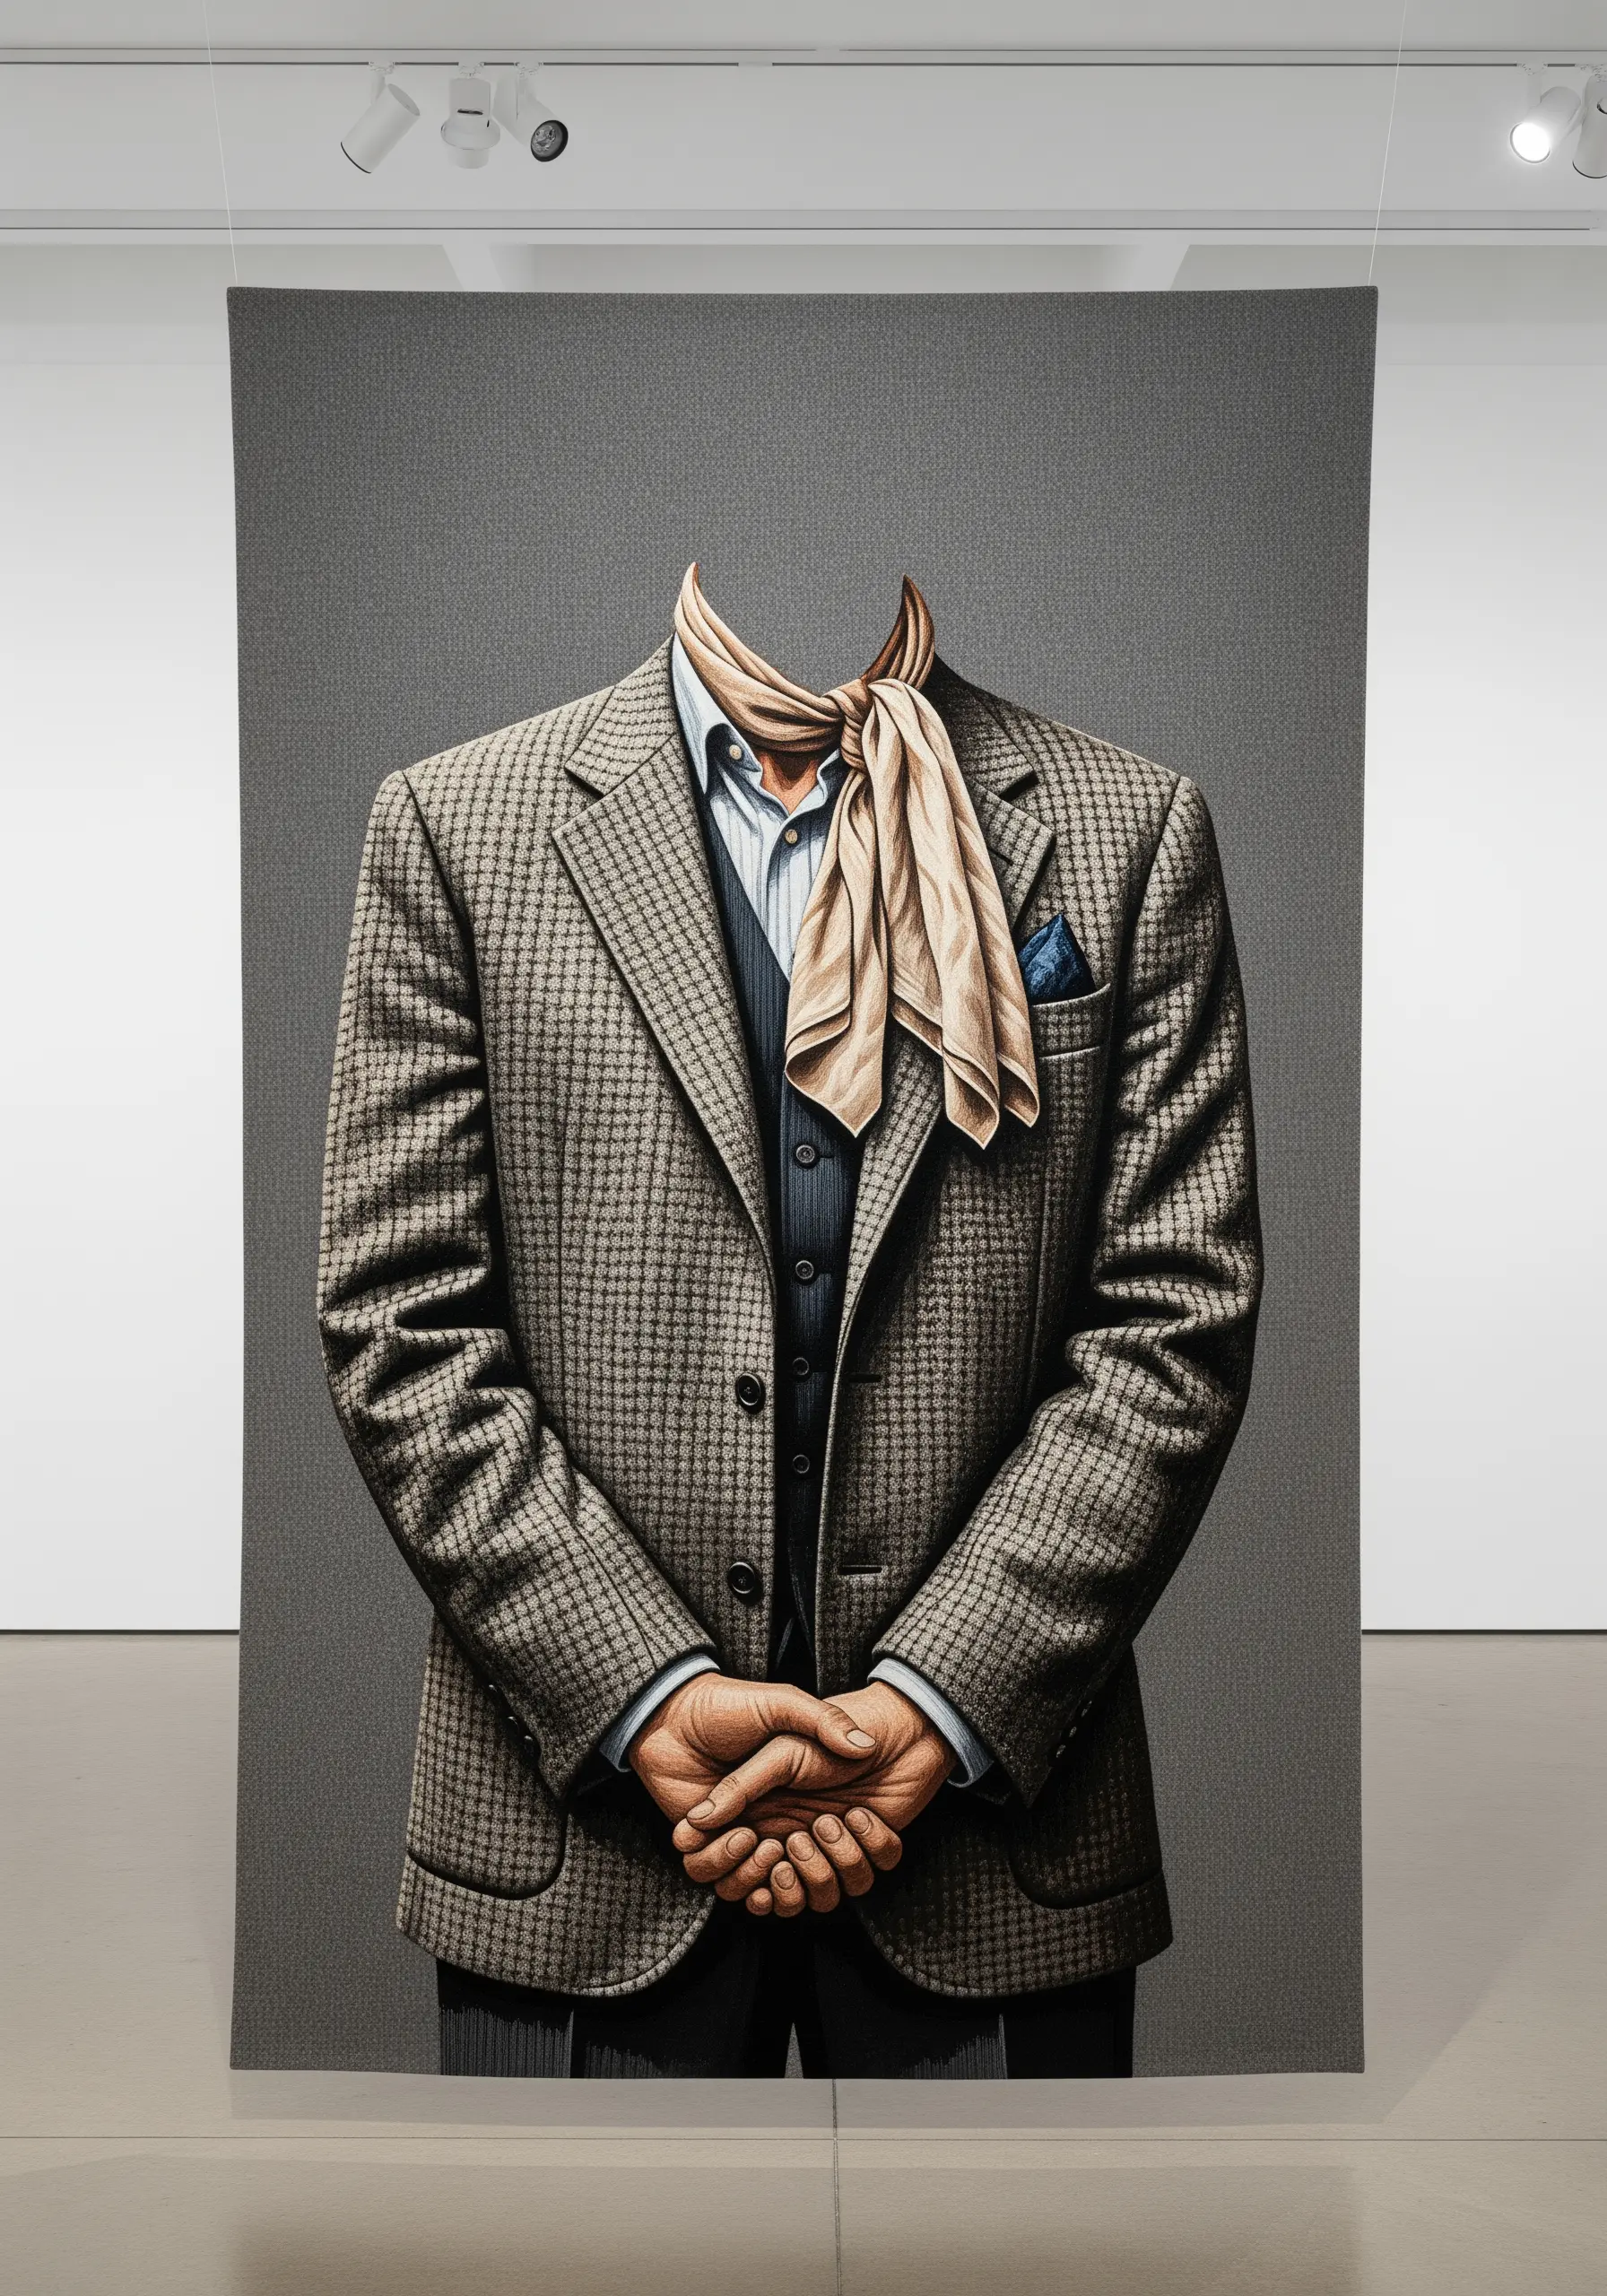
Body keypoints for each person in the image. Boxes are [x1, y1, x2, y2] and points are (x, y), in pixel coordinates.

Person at [317, 564, 1262, 2079]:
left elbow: (1173, 1321)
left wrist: (936, 1702)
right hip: (581, 1847)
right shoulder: (457, 822)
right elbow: (402, 1317)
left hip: (993, 1846)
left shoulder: (1129, 826)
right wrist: (648, 1693)